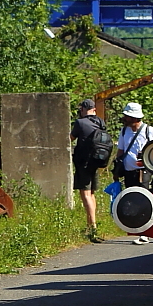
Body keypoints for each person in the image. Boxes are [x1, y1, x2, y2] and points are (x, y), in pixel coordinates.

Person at [115, 101, 153, 244]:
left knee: (144, 200)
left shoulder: (148, 131)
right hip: (129, 171)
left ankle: (146, 233)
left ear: (134, 117)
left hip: (144, 171)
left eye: (127, 116)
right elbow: (120, 151)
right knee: (132, 200)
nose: (124, 118)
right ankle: (137, 229)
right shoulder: (124, 131)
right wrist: (117, 167)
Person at [70, 98, 106, 243]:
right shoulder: (100, 122)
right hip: (95, 162)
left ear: (84, 109)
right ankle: (91, 224)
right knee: (91, 194)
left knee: (85, 194)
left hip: (83, 163)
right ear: (94, 109)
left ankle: (92, 227)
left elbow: (70, 138)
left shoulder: (80, 123)